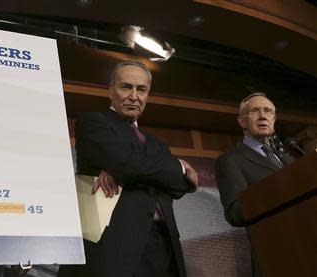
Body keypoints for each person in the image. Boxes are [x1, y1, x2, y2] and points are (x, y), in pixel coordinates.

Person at [58, 60, 198, 277]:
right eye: (126, 87)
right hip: (115, 245)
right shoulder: (93, 122)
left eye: (141, 90)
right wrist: (180, 165)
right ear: (110, 91)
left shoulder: (156, 144)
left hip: (162, 245)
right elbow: (131, 165)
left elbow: (179, 186)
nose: (134, 96)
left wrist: (130, 170)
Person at [216, 92, 294, 277]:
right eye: (255, 111)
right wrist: (276, 192)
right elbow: (235, 212)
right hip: (275, 255)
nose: (263, 116)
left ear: (274, 119)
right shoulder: (231, 160)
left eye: (268, 111)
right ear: (242, 121)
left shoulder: (289, 159)